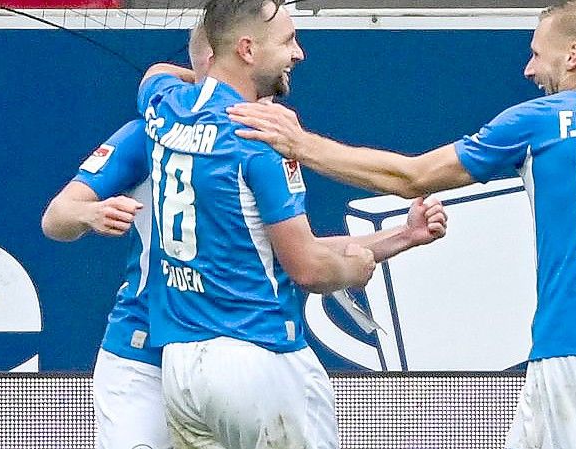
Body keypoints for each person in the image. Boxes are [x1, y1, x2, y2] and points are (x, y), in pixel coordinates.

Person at [226, 1, 576, 448]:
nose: (529, 70)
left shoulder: (541, 121)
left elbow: (412, 177)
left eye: (535, 53)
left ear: (573, 55)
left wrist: (299, 144)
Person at [137, 1, 448, 448]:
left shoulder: (162, 107)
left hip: (181, 370)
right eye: (287, 41)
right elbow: (308, 268)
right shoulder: (262, 138)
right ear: (246, 48)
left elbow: (154, 72)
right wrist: (354, 270)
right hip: (257, 358)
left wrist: (401, 236)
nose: (298, 53)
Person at [40, 26, 213, 449]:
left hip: (230, 356)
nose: (296, 54)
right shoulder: (147, 133)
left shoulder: (273, 137)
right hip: (142, 354)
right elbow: (56, 217)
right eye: (284, 41)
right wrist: (90, 212)